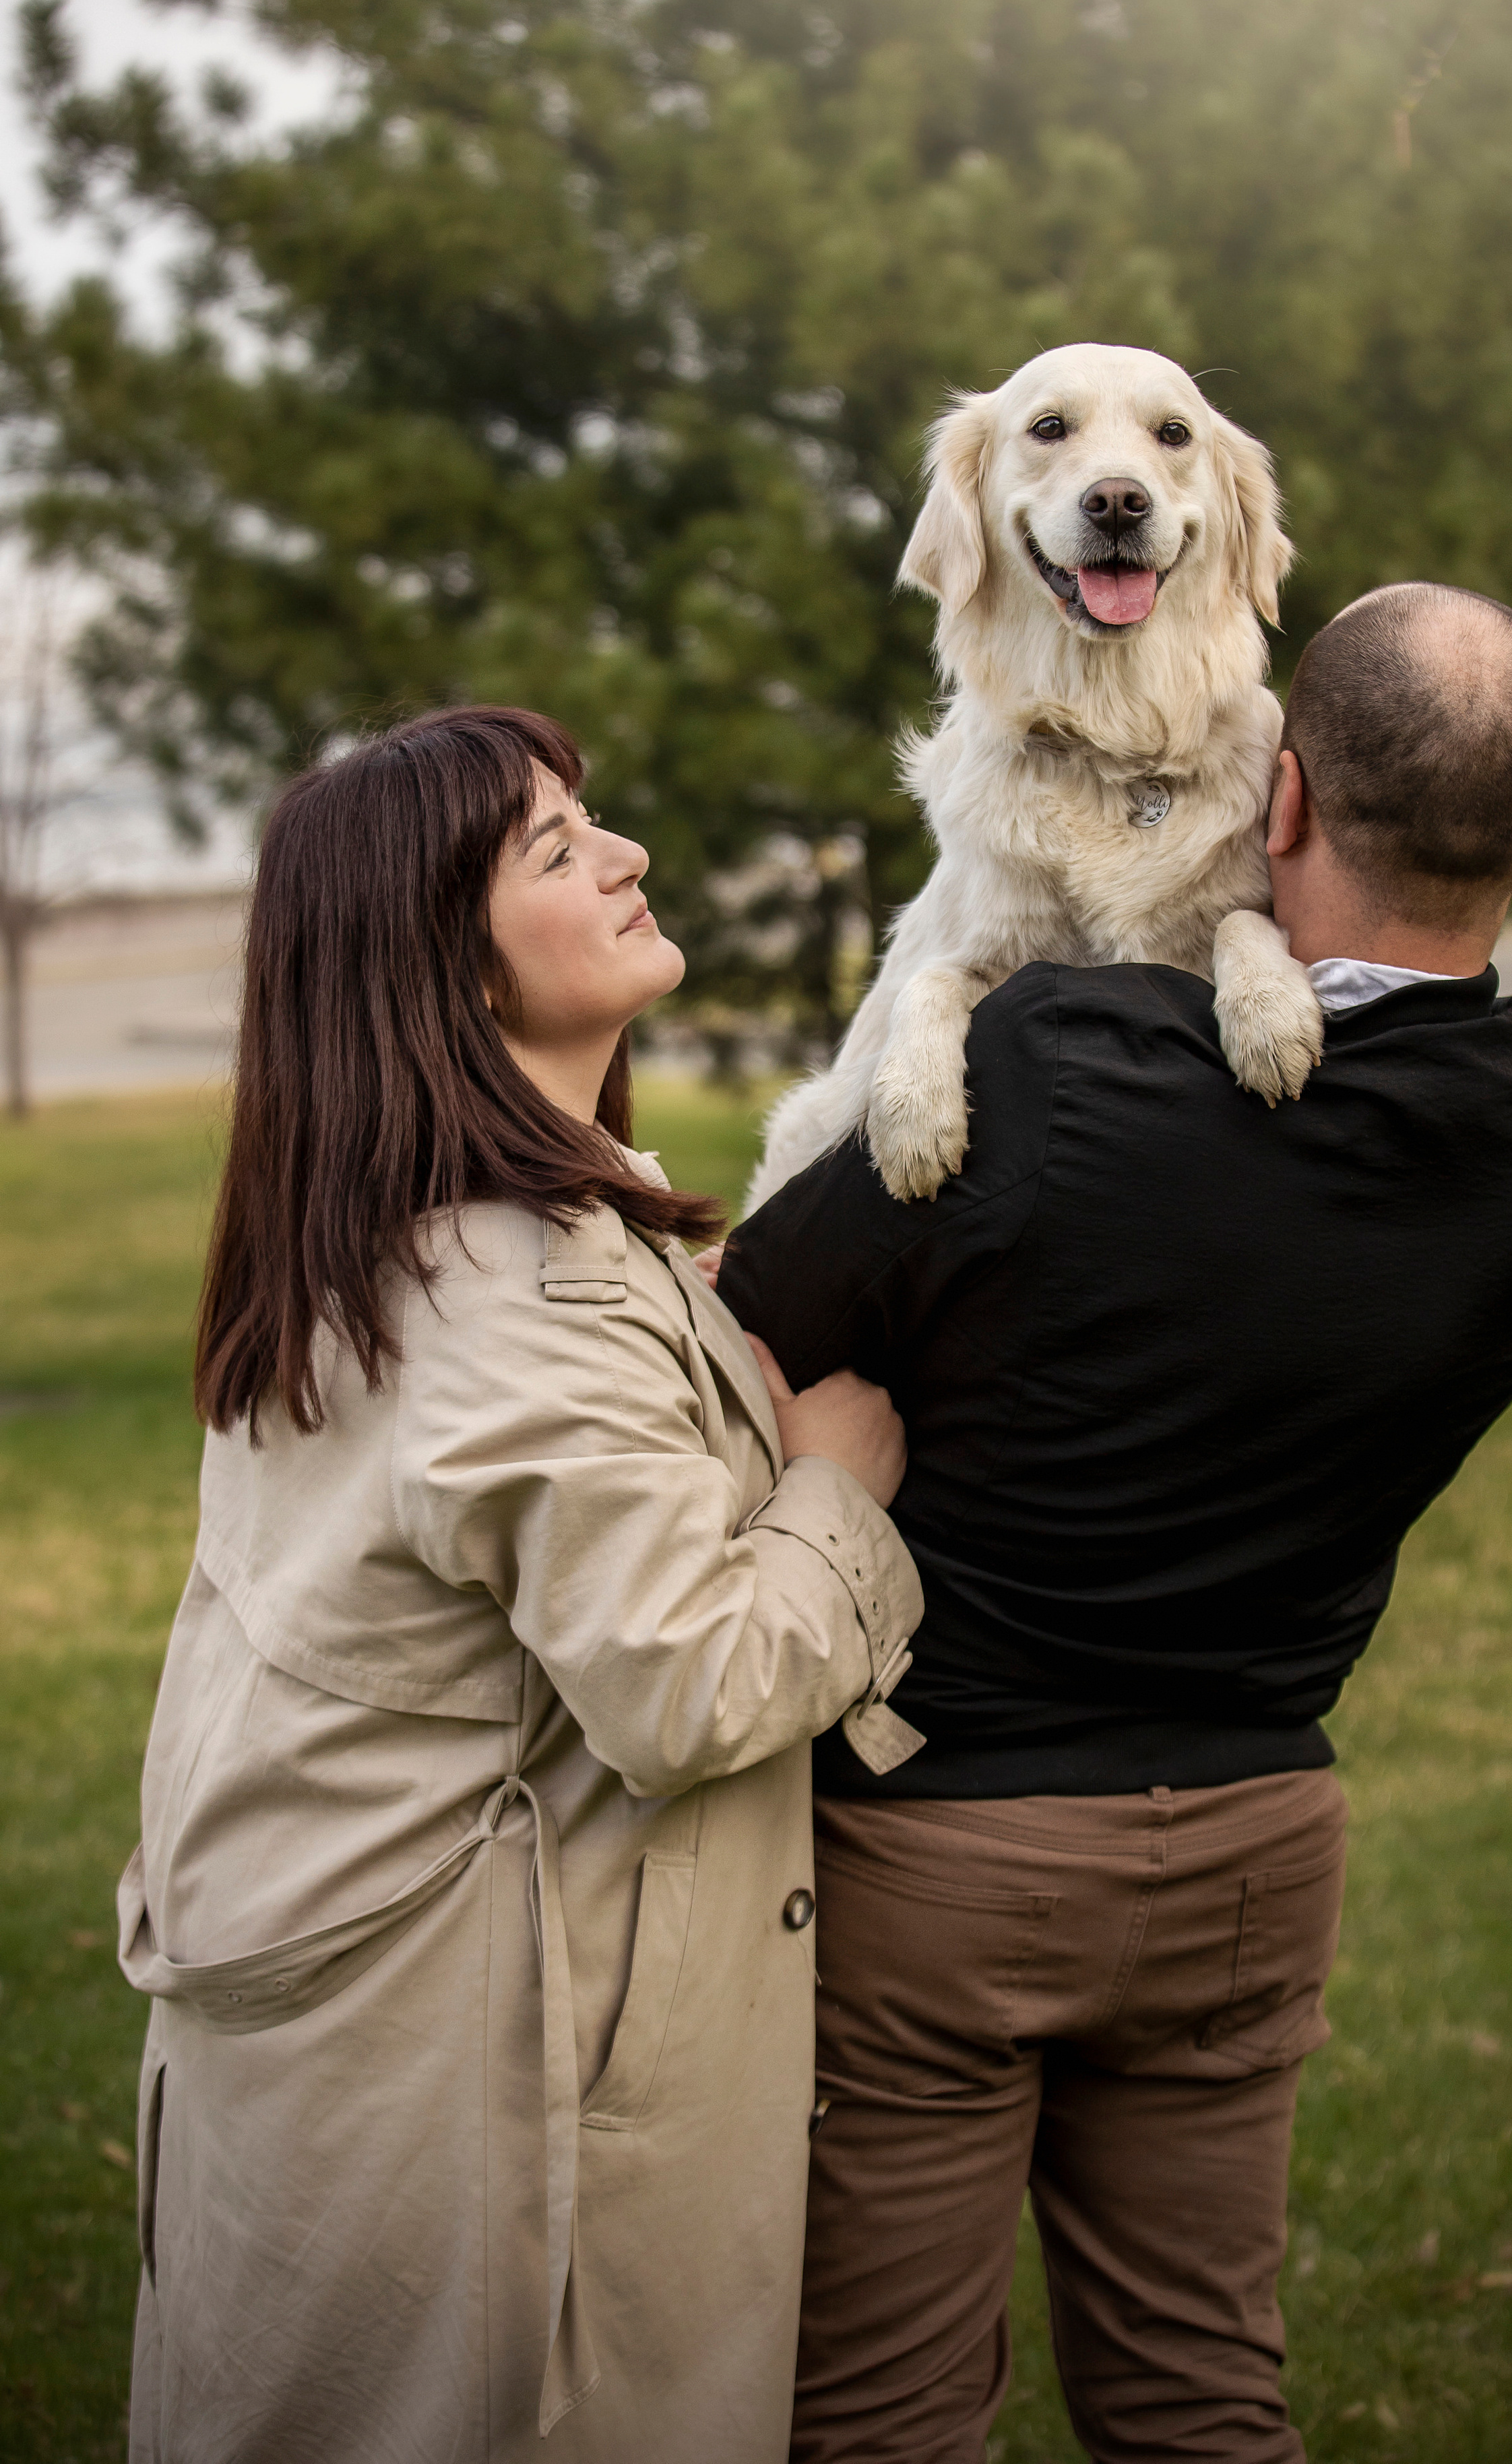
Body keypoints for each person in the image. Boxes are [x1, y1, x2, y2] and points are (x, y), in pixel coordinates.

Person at [717, 585, 1512, 2464]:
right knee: (1206, 2407)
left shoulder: (1052, 1066)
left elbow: (762, 1300)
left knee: (883, 2421)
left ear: (1279, 800)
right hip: (1254, 1839)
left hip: (945, 1851)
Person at [119, 705, 924, 2464]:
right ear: (452, 981)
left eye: (594, 820)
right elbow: (691, 1683)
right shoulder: (510, 1303)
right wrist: (837, 1496)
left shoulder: (385, 1232)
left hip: (344, 2061)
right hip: (462, 2105)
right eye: (557, 851)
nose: (626, 853)